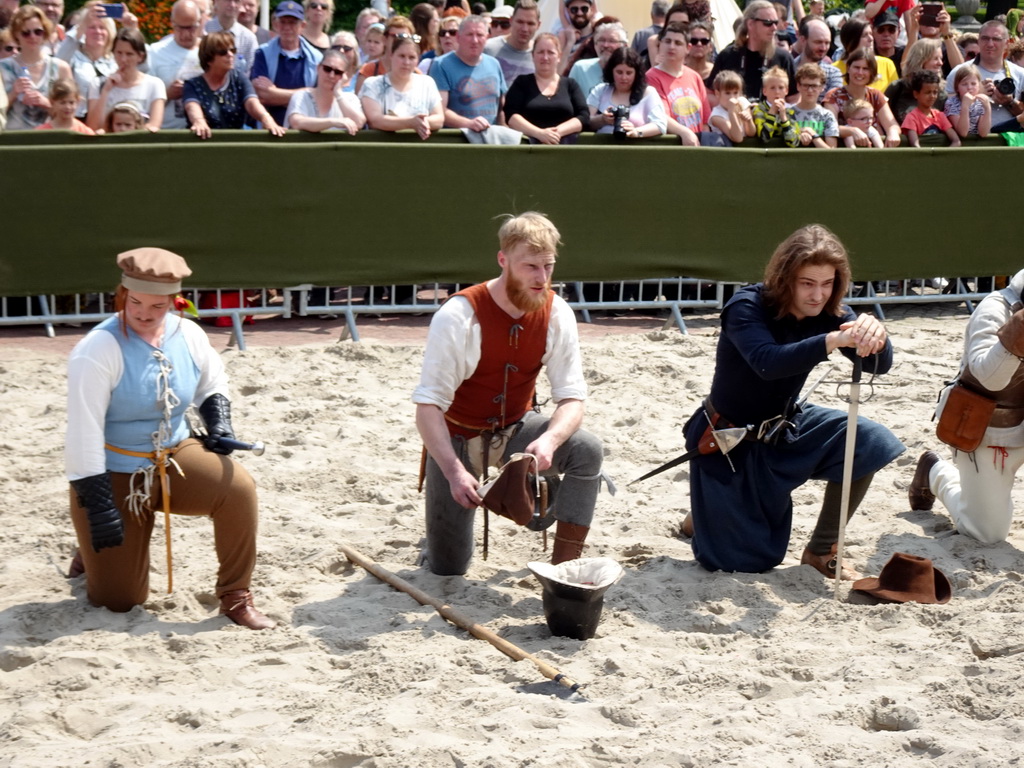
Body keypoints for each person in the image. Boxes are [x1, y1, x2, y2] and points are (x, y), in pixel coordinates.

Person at [65, 248, 274, 630]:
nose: (144, 313)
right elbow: (83, 433)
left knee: (238, 488)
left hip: (174, 453)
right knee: (120, 601)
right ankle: (90, 551)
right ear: (122, 295)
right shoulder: (97, 350)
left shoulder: (188, 333)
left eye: (157, 306)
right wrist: (98, 507)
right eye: (136, 302)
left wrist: (220, 425)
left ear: (174, 302)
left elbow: (212, 383)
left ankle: (235, 595)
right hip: (113, 469)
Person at [680, 224, 904, 578]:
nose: (818, 295)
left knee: (870, 442)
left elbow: (880, 364)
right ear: (786, 279)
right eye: (807, 283)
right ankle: (704, 515)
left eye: (827, 284)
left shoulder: (831, 312)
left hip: (785, 428)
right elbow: (768, 361)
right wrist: (831, 341)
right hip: (729, 440)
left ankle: (821, 549)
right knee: (744, 564)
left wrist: (875, 334)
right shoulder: (746, 305)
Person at [412, 212, 604, 576]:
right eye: (530, 266)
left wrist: (549, 440)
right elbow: (427, 407)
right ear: (503, 260)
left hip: (518, 427)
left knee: (586, 449)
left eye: (548, 266)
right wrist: (453, 472)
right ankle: (436, 545)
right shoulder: (458, 315)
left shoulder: (557, 311)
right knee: (448, 567)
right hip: (456, 434)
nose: (541, 278)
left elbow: (572, 398)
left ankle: (565, 572)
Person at [910, 269, 1024, 544]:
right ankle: (935, 472)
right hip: (989, 431)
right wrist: (1016, 334)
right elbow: (990, 377)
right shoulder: (996, 308)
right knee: (986, 533)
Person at [184, 30, 286, 138]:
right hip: (204, 142)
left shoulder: (238, 78)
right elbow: (192, 106)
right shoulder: (192, 85)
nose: (230, 55)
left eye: (233, 50)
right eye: (223, 52)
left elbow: (252, 103)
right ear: (209, 59)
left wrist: (266, 118)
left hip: (235, 143)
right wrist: (199, 121)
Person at [504, 32, 587, 144]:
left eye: (550, 52)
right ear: (533, 56)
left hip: (565, 149)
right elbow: (510, 115)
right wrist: (539, 133)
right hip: (528, 149)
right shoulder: (522, 83)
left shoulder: (570, 84)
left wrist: (556, 133)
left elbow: (583, 116)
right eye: (541, 52)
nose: (545, 57)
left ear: (559, 56)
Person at [250, 0, 323, 125]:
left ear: (303, 26)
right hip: (269, 127)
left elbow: (318, 96)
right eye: (283, 22)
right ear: (276, 24)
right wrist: (305, 92)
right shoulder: (262, 53)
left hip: (304, 128)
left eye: (292, 23)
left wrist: (275, 94)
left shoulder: (316, 58)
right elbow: (262, 95)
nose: (287, 27)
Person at [0, 5, 73, 130]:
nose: (33, 37)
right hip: (11, 139)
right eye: (26, 33)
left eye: (38, 31)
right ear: (16, 35)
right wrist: (13, 94)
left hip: (50, 138)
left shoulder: (61, 68)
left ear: (45, 32)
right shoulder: (3, 68)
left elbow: (72, 112)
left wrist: (46, 103)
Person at [431, 15, 507, 132]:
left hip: (491, 140)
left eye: (480, 35)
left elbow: (501, 107)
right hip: (457, 141)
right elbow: (439, 111)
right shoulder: (441, 65)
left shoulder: (494, 64)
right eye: (469, 34)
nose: (475, 40)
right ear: (458, 37)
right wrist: (469, 124)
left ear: (487, 37)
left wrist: (504, 133)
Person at [709, 0, 796, 100]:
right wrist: (729, 109)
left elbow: (794, 97)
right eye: (768, 23)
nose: (774, 28)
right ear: (750, 24)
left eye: (776, 23)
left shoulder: (783, 58)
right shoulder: (728, 55)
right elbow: (710, 93)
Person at [361, 32, 441, 138]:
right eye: (401, 56)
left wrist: (419, 122)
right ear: (391, 55)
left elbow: (439, 118)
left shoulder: (427, 83)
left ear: (418, 60)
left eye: (412, 57)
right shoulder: (372, 84)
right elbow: (375, 120)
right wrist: (410, 122)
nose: (406, 62)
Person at [945, 21, 1024, 130]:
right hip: (971, 142)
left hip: (1011, 142)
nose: (990, 44)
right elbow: (947, 114)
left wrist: (1010, 102)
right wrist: (975, 95)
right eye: (985, 38)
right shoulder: (959, 72)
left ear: (1007, 43)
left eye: (996, 39)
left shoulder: (1020, 74)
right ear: (978, 41)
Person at [86, 27, 164, 132]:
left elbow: (154, 125)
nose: (123, 59)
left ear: (140, 56)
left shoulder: (154, 84)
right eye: (119, 53)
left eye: (129, 54)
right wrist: (105, 91)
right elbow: (92, 127)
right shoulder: (98, 84)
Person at [824, 48, 901, 147]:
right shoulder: (833, 95)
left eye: (865, 69)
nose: (860, 72)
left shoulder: (876, 95)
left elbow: (892, 124)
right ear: (848, 68)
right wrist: (852, 130)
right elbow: (830, 127)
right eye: (856, 67)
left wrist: (893, 133)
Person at [646, 21, 707, 145]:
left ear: (688, 48)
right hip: (669, 146)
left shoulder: (694, 77)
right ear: (660, 44)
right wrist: (686, 133)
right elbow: (660, 115)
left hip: (696, 145)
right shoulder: (651, 77)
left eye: (678, 43)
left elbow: (705, 119)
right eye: (667, 41)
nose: (671, 47)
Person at [586, 46, 667, 137]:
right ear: (611, 71)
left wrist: (636, 132)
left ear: (636, 73)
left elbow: (660, 125)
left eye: (629, 73)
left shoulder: (648, 93)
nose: (624, 78)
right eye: (619, 72)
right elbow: (585, 121)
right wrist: (602, 119)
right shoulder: (600, 90)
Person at [54, 1, 116, 120]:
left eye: (102, 28)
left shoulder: (115, 60)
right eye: (92, 27)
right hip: (77, 118)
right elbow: (57, 62)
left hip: (109, 120)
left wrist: (131, 28)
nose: (97, 32)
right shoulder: (73, 55)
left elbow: (143, 67)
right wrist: (82, 25)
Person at [147, 0, 203, 130]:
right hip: (165, 131)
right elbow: (144, 101)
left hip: (202, 130)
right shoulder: (156, 52)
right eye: (179, 28)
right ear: (172, 23)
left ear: (199, 23)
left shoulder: (209, 50)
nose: (185, 34)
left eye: (190, 28)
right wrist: (167, 94)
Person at [353, 16, 416, 94]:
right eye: (396, 37)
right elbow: (358, 103)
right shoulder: (369, 71)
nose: (400, 42)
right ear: (384, 39)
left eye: (405, 38)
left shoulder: (416, 74)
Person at [482, 0, 538, 86]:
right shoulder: (488, 48)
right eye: (520, 22)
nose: (525, 29)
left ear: (538, 25)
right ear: (511, 21)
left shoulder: (541, 54)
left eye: (530, 23)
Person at [833, 18, 897, 93]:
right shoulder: (834, 69)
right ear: (850, 40)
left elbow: (897, 97)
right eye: (864, 35)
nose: (871, 39)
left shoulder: (887, 64)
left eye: (871, 34)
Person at [566, 20, 626, 99]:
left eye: (612, 41)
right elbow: (568, 101)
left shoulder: (629, 71)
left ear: (624, 45)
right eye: (601, 40)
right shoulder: (581, 68)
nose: (605, 45)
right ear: (595, 44)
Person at [901, 68, 960, 146]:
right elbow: (915, 145)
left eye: (935, 92)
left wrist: (943, 156)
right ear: (916, 94)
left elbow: (956, 141)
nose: (932, 96)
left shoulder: (940, 116)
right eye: (927, 92)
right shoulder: (911, 118)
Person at [204, 0, 259, 76]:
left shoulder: (248, 38)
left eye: (236, 1)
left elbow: (252, 71)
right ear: (215, 2)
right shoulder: (203, 31)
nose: (232, 5)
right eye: (228, 0)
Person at [793, 17, 842, 100]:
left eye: (827, 43)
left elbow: (834, 105)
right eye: (818, 42)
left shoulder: (833, 74)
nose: (823, 48)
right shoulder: (787, 70)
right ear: (803, 40)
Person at [791, 61, 838, 147]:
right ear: (798, 86)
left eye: (814, 86)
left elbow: (831, 152)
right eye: (805, 85)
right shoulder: (787, 114)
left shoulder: (827, 116)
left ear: (822, 87)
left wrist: (813, 135)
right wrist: (799, 132)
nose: (810, 90)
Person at [751, 65, 798, 145]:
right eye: (772, 88)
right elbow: (764, 138)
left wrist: (784, 118)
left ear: (786, 91)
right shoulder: (758, 109)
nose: (777, 92)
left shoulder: (791, 110)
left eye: (781, 88)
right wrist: (772, 113)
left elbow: (793, 142)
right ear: (764, 91)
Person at [944, 63, 992, 138]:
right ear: (957, 87)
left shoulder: (980, 103)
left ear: (979, 86)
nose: (969, 87)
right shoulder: (951, 103)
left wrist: (988, 109)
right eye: (964, 84)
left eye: (973, 84)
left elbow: (983, 133)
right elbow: (962, 133)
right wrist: (965, 106)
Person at [708, 69, 755, 143]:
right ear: (717, 93)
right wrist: (732, 113)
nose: (732, 97)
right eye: (727, 93)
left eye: (735, 93)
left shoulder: (743, 102)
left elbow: (751, 133)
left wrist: (748, 121)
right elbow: (738, 138)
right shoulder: (716, 116)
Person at [556, 0, 596, 75]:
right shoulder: (563, 38)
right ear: (568, 11)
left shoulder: (598, 35)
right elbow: (558, 74)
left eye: (584, 9)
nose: (579, 13)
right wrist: (570, 43)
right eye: (574, 10)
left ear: (591, 10)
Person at [682, 20, 713, 87]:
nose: (699, 44)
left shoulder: (715, 72)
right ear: (687, 45)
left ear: (710, 46)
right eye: (694, 41)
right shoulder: (679, 72)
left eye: (704, 41)